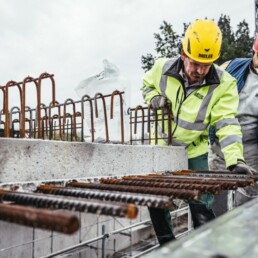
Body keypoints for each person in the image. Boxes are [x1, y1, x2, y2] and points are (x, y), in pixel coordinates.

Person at [141, 19, 255, 246]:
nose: (200, 71)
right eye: (195, 64)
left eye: (207, 65)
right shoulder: (161, 68)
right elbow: (146, 85)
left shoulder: (224, 83)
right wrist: (153, 98)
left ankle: (207, 244)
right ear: (183, 54)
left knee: (201, 198)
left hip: (195, 148)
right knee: (156, 197)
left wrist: (235, 160)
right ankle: (167, 244)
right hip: (161, 144)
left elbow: (227, 122)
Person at [209, 35, 258, 209]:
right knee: (216, 188)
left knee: (250, 191)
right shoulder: (232, 66)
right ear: (254, 50)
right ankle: (216, 229)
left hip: (251, 146)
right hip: (222, 140)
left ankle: (245, 230)